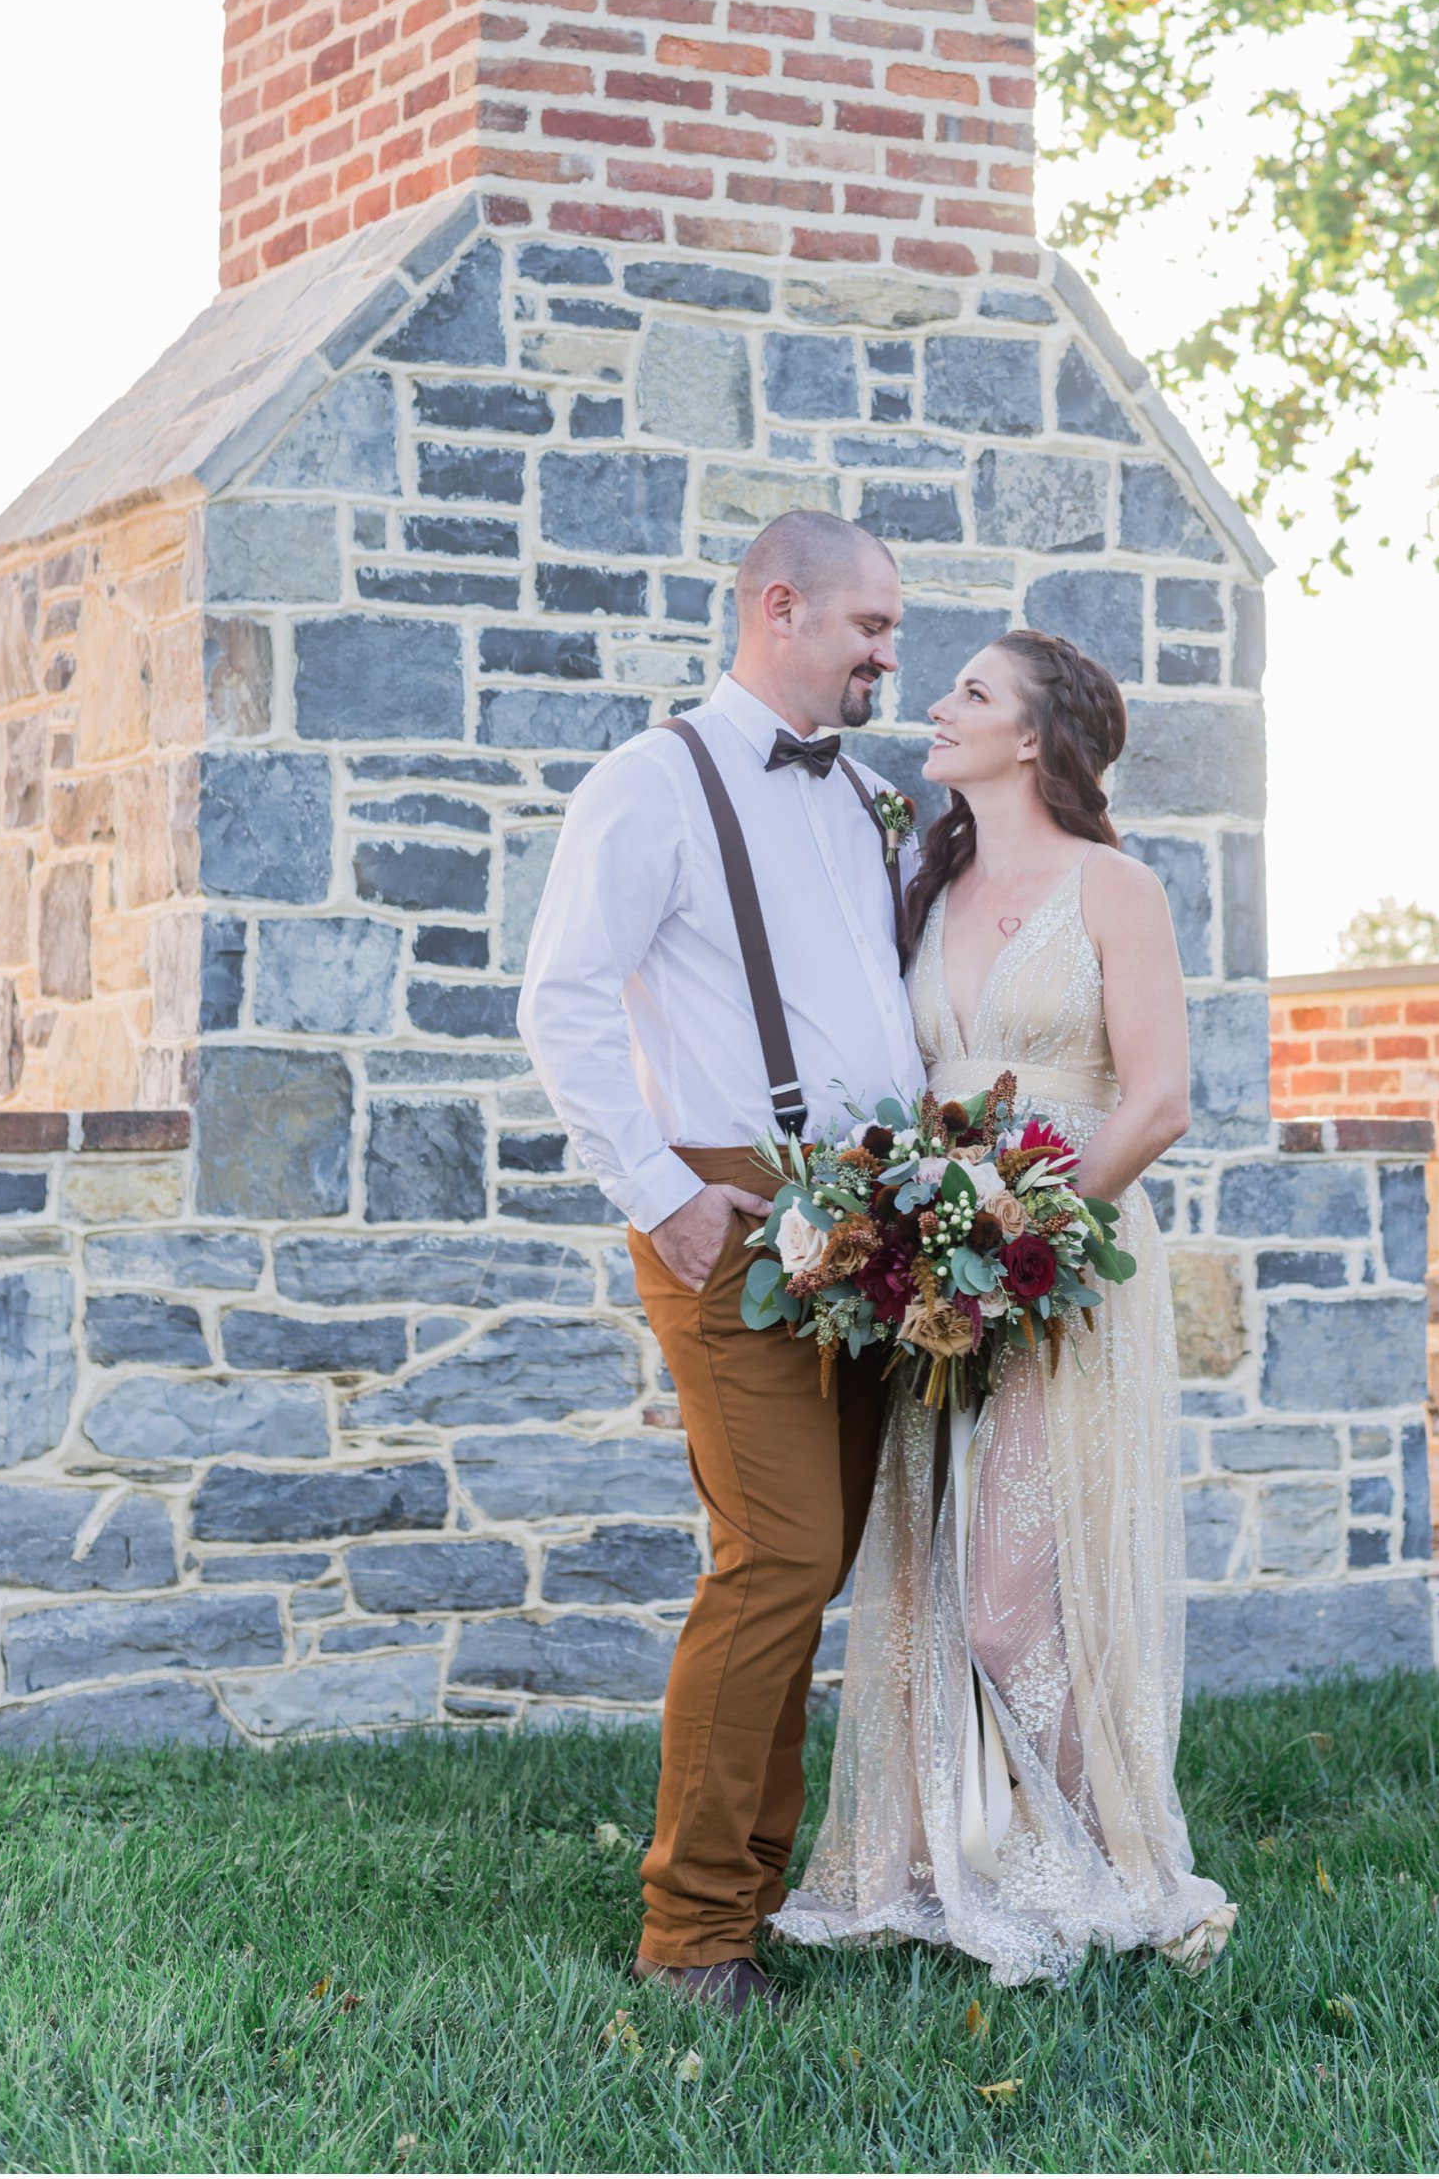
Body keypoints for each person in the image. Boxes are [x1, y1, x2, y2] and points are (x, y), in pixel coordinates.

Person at [773, 627, 1237, 1988]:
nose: (937, 703)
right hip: (939, 1280)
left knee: (1021, 1592)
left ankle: (1123, 1868)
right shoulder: (933, 879)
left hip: (1067, 1265)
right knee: (944, 1567)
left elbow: (1158, 1096)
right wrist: (918, 1242)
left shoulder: (1114, 885)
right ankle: (958, 1855)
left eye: (970, 691)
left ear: (1034, 736)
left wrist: (1033, 1230)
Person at [517, 509, 919, 2015]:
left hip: (879, 1226)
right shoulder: (650, 782)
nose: (892, 652)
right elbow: (558, 1004)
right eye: (870, 625)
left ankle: (756, 1895)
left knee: (810, 1572)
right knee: (780, 1555)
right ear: (779, 607)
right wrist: (660, 1191)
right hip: (730, 1217)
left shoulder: (863, 800)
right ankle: (691, 1933)